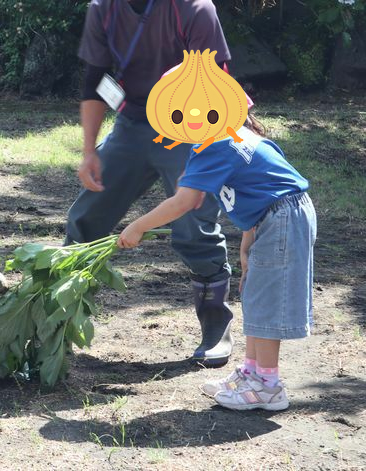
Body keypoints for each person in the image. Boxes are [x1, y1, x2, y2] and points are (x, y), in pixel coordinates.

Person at [71, 0, 236, 367]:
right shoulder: (103, 9)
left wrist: (200, 153)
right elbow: (96, 79)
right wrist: (89, 152)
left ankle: (215, 324)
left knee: (193, 224)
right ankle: (59, 321)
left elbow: (216, 85)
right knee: (85, 216)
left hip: (190, 124)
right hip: (132, 123)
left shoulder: (194, 9)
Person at [117, 110, 317, 411]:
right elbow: (258, 189)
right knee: (254, 296)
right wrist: (246, 247)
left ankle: (268, 387)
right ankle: (251, 373)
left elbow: (184, 202)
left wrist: (138, 226)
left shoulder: (214, 142)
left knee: (265, 303)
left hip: (283, 219)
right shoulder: (229, 135)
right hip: (273, 218)